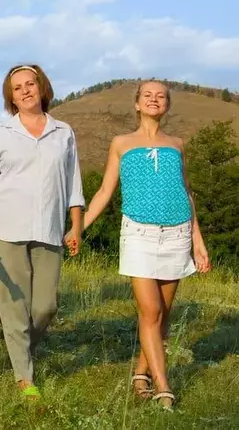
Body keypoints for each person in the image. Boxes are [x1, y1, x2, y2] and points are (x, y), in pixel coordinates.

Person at [71, 79, 211, 410]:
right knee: (150, 311)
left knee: (163, 315)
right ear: (136, 103)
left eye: (160, 96)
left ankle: (141, 373)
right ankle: (164, 387)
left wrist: (198, 242)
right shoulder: (121, 143)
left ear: (167, 105)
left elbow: (186, 193)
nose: (154, 99)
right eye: (147, 95)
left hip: (177, 233)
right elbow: (105, 192)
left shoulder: (177, 144)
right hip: (138, 234)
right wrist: (78, 228)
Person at [0, 64, 84, 400]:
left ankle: (20, 347)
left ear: (42, 87)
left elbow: (73, 183)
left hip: (49, 229)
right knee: (14, 304)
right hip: (5, 229)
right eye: (17, 88)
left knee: (45, 306)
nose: (26, 91)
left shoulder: (64, 132)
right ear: (11, 98)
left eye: (30, 84)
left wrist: (75, 226)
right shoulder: (1, 133)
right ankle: (24, 377)